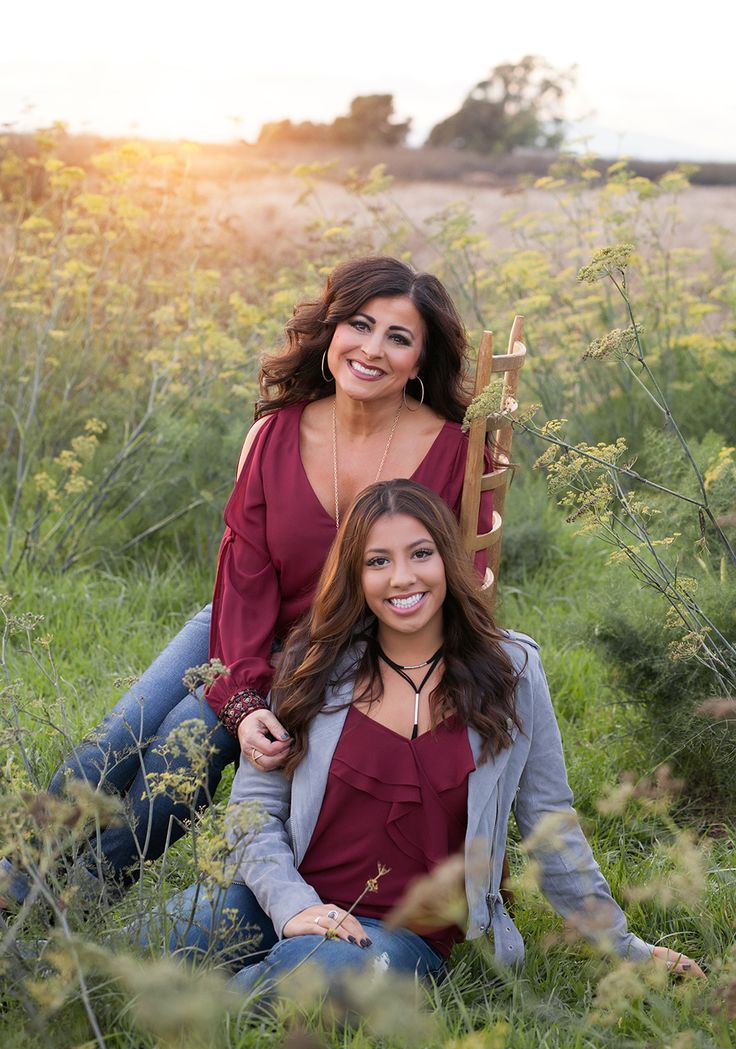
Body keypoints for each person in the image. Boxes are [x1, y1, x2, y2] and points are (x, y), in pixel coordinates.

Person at [0, 256, 493, 903]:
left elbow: (450, 597)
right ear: (332, 329)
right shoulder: (276, 433)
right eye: (360, 325)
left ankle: (78, 896)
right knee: (128, 726)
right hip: (239, 619)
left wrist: (247, 704)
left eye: (398, 337)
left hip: (342, 649)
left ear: (419, 357)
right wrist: (242, 694)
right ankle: (16, 869)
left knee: (192, 737)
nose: (372, 349)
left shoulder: (454, 454)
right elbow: (244, 578)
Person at [148, 480, 704, 995]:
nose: (402, 578)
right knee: (146, 950)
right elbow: (252, 813)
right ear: (355, 576)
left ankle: (199, 1019)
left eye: (420, 554)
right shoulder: (314, 663)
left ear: (447, 558)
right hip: (285, 897)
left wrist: (623, 947)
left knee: (323, 976)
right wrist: (293, 906)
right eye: (377, 561)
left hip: (397, 934)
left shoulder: (512, 668)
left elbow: (550, 823)